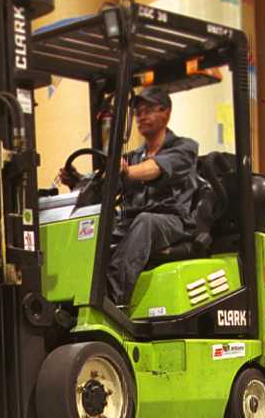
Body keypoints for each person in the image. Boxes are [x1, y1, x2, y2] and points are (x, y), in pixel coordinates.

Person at [63, 85, 200, 310]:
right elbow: (106, 185)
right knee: (97, 226)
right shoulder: (133, 156)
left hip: (172, 222)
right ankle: (74, 293)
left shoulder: (184, 148)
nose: (141, 117)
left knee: (146, 222)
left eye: (147, 110)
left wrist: (126, 171)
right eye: (138, 113)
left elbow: (153, 169)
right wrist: (77, 181)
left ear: (165, 112)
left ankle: (111, 298)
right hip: (132, 222)